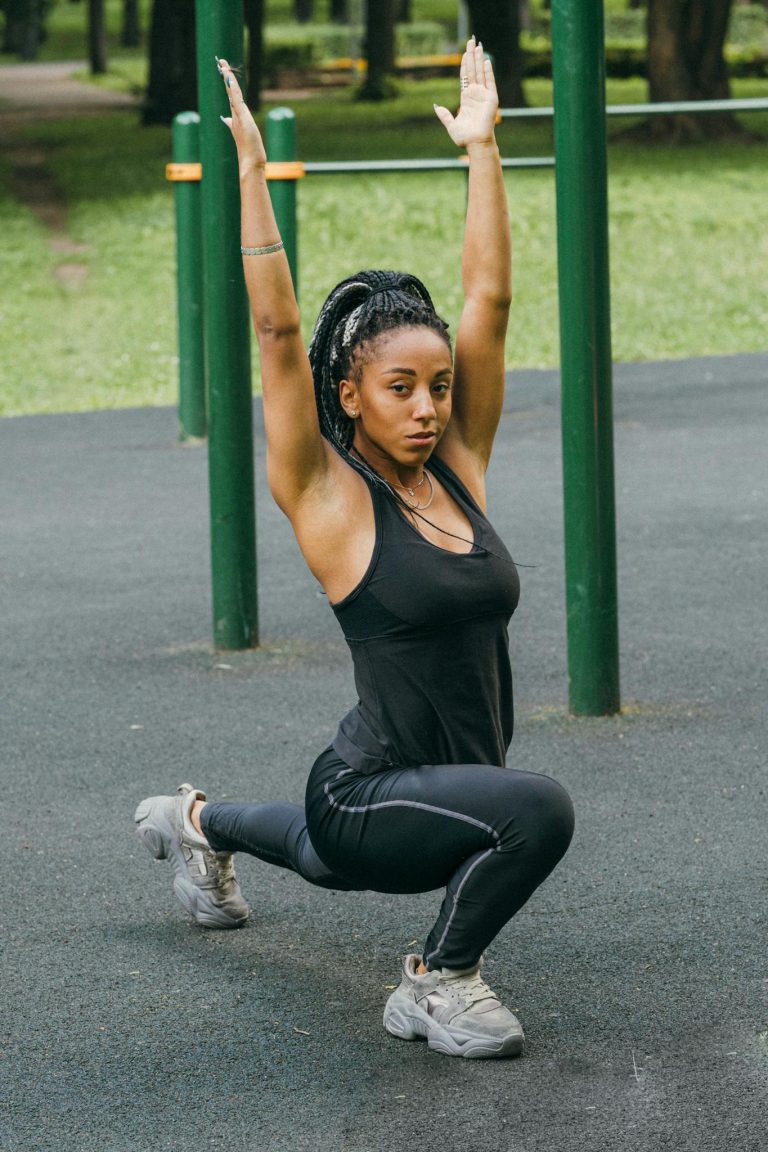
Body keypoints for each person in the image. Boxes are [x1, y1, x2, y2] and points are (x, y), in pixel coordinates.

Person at [134, 39, 574, 1061]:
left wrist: (483, 149)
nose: (427, 407)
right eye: (399, 388)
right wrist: (250, 179)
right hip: (372, 792)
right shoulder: (329, 500)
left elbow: (490, 308)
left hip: (439, 793)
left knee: (316, 854)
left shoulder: (456, 464)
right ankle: (436, 983)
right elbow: (281, 334)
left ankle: (194, 821)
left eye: (438, 386)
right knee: (534, 814)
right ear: (351, 396)